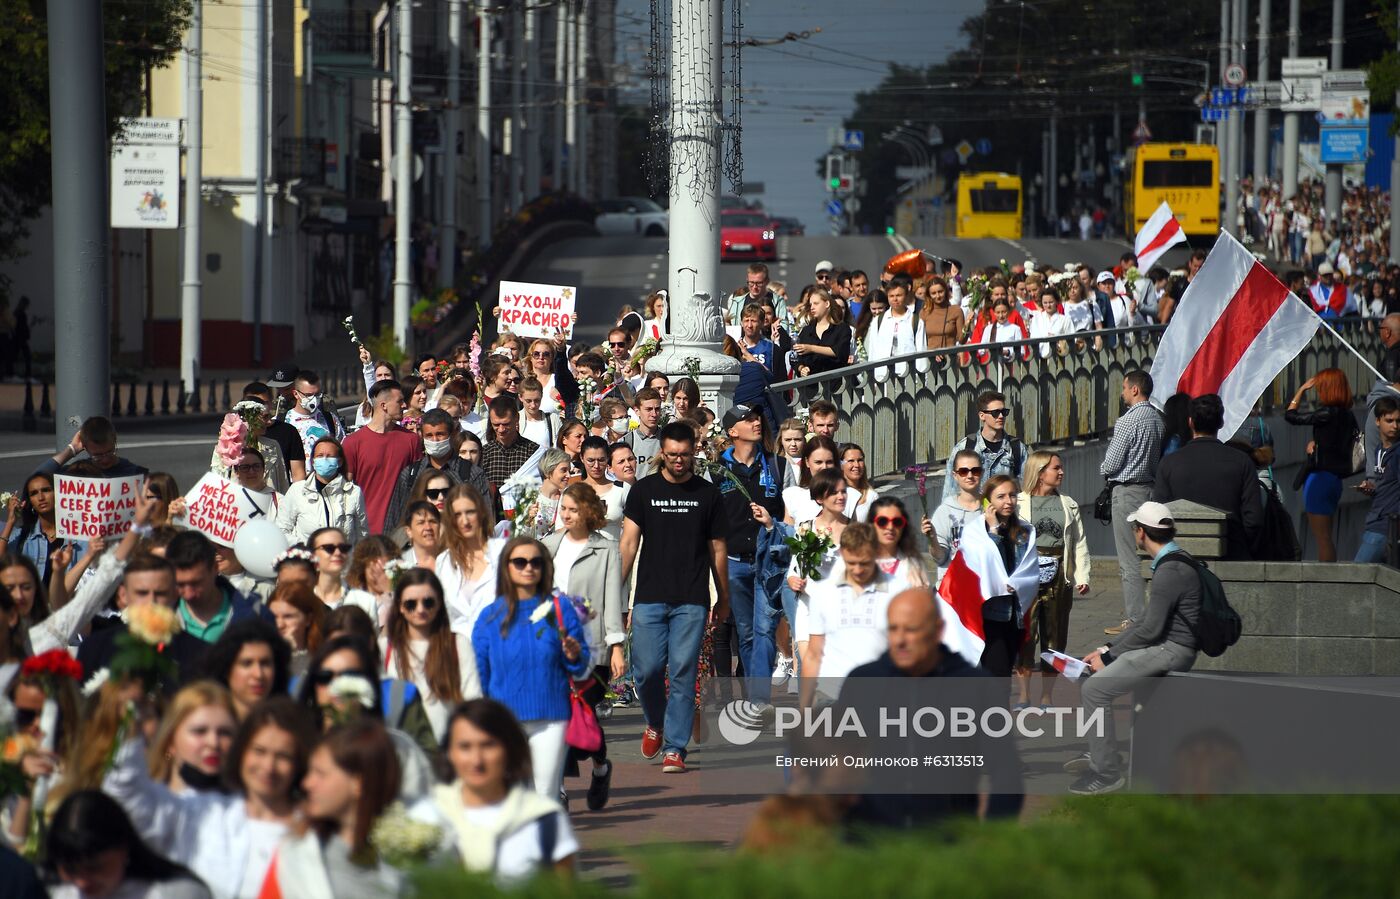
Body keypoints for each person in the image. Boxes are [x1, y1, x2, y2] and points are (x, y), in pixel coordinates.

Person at [838, 588, 1024, 827]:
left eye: (911, 629)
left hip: (946, 841)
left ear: (937, 630)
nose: (901, 640)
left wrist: (993, 838)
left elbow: (1006, 772)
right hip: (871, 839)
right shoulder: (862, 682)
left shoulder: (975, 687)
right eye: (893, 629)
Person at [620, 422, 730, 774]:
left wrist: (723, 596)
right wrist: (614, 591)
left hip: (692, 598)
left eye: (684, 455)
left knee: (683, 672)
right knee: (646, 670)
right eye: (671, 455)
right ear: (661, 454)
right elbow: (627, 544)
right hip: (650, 595)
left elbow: (718, 550)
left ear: (693, 452)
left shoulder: (708, 495)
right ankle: (656, 721)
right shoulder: (643, 491)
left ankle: (675, 748)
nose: (678, 461)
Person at [1070, 502, 1200, 795]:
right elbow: (1145, 624)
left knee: (1095, 689)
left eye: (1134, 529)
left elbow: (1151, 630)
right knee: (1090, 677)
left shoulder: (1171, 570)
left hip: (1172, 649)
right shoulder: (1175, 560)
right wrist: (1108, 647)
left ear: (1141, 533)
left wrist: (1109, 656)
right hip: (1165, 644)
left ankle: (1106, 773)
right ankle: (1102, 752)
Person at [472, 537, 589, 799]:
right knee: (512, 797)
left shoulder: (561, 610)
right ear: (506, 567)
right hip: (504, 720)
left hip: (551, 717)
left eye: (536, 562)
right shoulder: (489, 617)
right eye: (520, 562)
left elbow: (580, 666)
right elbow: (480, 673)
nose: (529, 568)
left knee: (545, 794)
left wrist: (573, 654)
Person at [540, 483, 626, 809]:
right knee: (558, 717)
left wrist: (616, 645)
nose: (566, 516)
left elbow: (612, 598)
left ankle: (601, 766)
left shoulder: (606, 549)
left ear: (588, 512)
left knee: (584, 717)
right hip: (551, 644)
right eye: (563, 509)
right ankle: (557, 790)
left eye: (573, 510)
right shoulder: (548, 545)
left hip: (590, 646)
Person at [423, 699, 578, 881]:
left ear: (510, 750)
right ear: (449, 753)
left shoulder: (545, 822)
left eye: (488, 745)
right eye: (465, 747)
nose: (477, 760)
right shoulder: (429, 815)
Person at [258, 721, 407, 898]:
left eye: (320, 774)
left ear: (359, 783)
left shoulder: (409, 865)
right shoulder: (296, 855)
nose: (307, 783)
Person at [1015, 452, 1091, 708]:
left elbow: (1079, 543)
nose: (1061, 472)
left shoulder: (1068, 503)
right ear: (1040, 471)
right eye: (1056, 468)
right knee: (1025, 635)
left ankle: (1047, 695)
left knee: (1055, 637)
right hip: (1028, 574)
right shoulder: (1017, 503)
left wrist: (1082, 576)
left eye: (1061, 468)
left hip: (1059, 574)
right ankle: (1024, 695)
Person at [1153, 394, 1264, 562]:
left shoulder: (1169, 463)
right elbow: (1253, 519)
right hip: (1232, 554)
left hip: (1180, 555)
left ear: (1190, 422)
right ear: (1221, 423)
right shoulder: (1241, 462)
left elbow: (1159, 514)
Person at [46, 790, 213, 899]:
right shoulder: (51, 892)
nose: (82, 882)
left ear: (124, 850)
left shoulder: (176, 894)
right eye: (70, 870)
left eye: (94, 868)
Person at [380, 568, 481, 743]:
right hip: (401, 748)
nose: (420, 610)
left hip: (447, 747)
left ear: (439, 603)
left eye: (428, 602)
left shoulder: (457, 643)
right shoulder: (386, 647)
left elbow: (472, 698)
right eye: (411, 604)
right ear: (400, 607)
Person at [799, 524, 894, 707]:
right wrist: (804, 709)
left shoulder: (896, 591)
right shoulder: (824, 593)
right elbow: (813, 654)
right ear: (842, 553)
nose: (858, 570)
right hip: (831, 695)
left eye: (864, 563)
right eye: (852, 563)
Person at [1099, 371, 1163, 635]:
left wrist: (1103, 468)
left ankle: (1135, 619)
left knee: (1128, 560)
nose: (1123, 392)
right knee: (1150, 555)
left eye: (1125, 388)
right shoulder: (1158, 419)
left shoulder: (1127, 421)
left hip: (1126, 492)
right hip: (1149, 490)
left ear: (1135, 390)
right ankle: (1153, 613)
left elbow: (1111, 464)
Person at [1285, 368, 1360, 563]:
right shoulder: (1348, 416)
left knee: (1322, 538)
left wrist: (1301, 390)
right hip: (1334, 479)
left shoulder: (1325, 413)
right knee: (1326, 536)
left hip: (1319, 478)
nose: (1317, 391)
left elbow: (1291, 416)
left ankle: (1325, 580)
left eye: (1320, 387)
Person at [968, 476, 1039, 678]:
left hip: (1015, 615)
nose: (1008, 501)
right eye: (1001, 497)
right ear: (987, 501)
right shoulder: (977, 532)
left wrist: (1018, 583)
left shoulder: (1025, 532)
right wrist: (994, 531)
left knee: (1004, 674)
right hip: (989, 615)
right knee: (995, 674)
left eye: (1012, 495)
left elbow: (1031, 571)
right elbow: (988, 565)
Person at [382, 409, 493, 534]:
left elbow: (486, 521)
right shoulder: (410, 475)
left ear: (452, 435)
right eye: (429, 435)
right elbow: (393, 523)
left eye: (440, 434)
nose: (434, 440)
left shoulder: (471, 474)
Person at [343, 380, 423, 535]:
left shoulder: (411, 440)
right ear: (384, 405)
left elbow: (417, 485)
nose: (405, 405)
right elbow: (346, 490)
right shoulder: (353, 443)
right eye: (400, 401)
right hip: (365, 531)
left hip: (402, 530)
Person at [168, 531, 261, 644]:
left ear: (215, 568)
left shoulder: (254, 611)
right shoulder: (158, 614)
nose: (188, 594)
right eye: (180, 584)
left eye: (196, 583)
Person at [436, 484, 504, 635]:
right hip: (460, 651)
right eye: (457, 515)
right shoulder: (444, 561)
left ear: (481, 513)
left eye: (470, 512)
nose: (465, 521)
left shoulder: (502, 552)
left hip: (498, 645)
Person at [277, 438, 368, 546]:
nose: (324, 460)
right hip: (309, 558)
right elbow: (281, 530)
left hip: (341, 559)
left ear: (340, 461)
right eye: (320, 456)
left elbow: (362, 534)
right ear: (313, 461)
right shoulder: (297, 491)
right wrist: (306, 547)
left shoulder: (353, 492)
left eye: (330, 456)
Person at [941, 391, 1028, 501]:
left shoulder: (1017, 448)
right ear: (982, 416)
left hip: (1006, 514)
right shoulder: (964, 448)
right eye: (995, 413)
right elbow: (950, 490)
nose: (1001, 416)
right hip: (973, 514)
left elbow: (1025, 491)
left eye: (1004, 412)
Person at [205, 618, 293, 719]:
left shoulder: (290, 727)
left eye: (265, 663)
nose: (258, 674)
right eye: (247, 664)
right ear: (226, 670)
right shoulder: (208, 724)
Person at [924, 448, 985, 581]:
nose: (970, 476)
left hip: (985, 586)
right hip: (954, 588)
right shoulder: (945, 511)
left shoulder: (991, 509)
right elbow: (940, 558)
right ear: (954, 475)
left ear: (982, 473)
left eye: (975, 471)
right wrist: (933, 539)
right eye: (963, 471)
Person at [1356, 396, 1400, 562]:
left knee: (1356, 575)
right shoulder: (1379, 450)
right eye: (1389, 420)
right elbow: (1386, 484)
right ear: (1377, 421)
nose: (1395, 426)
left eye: (1398, 421)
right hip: (1375, 520)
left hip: (1385, 526)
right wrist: (1370, 487)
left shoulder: (1397, 453)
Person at [37, 417, 150, 481]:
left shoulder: (135, 473)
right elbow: (37, 479)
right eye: (97, 456)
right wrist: (71, 450)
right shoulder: (78, 473)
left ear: (115, 440)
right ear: (85, 448)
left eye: (110, 452)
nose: (105, 460)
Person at [279, 369, 345, 460]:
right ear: (296, 394)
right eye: (309, 395)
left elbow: (342, 450)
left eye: (317, 394)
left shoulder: (330, 419)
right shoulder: (283, 422)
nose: (314, 399)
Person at [867, 279, 926, 380]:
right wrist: (872, 378)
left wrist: (921, 379)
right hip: (883, 378)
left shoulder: (915, 321)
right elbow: (873, 351)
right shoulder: (878, 321)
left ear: (906, 296)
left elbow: (921, 352)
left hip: (908, 378)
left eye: (899, 295)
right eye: (891, 296)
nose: (895, 299)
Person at [480, 395, 542, 490]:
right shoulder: (484, 454)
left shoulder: (534, 451)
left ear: (517, 418)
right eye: (496, 424)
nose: (501, 429)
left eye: (506, 424)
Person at [268, 583, 327, 677]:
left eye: (288, 617)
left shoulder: (323, 658)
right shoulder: (261, 654)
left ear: (308, 619)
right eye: (273, 617)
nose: (279, 625)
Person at [793, 288, 851, 378]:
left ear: (827, 304)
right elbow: (795, 358)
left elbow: (840, 352)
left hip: (836, 385)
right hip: (812, 387)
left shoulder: (841, 328)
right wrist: (801, 368)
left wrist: (811, 348)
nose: (812, 307)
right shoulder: (806, 331)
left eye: (816, 303)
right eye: (810, 304)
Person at [578, 436, 629, 540]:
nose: (596, 466)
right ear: (582, 458)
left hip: (613, 553)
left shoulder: (622, 489)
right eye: (590, 460)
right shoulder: (572, 492)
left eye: (601, 460)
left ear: (608, 459)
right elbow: (561, 529)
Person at [622, 387, 665, 472]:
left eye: (657, 409)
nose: (654, 414)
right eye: (648, 409)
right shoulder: (627, 441)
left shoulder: (667, 438)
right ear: (637, 411)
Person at [308, 527, 351, 609]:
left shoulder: (364, 601)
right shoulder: (300, 600)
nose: (338, 553)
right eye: (329, 548)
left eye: (343, 548)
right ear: (312, 555)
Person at [919, 276, 965, 352]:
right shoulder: (924, 312)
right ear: (929, 295)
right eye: (933, 293)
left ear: (946, 291)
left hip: (950, 356)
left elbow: (962, 340)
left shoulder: (956, 310)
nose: (938, 296)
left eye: (940, 292)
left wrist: (967, 326)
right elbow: (920, 341)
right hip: (930, 358)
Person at [838, 443, 878, 522]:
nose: (856, 465)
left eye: (860, 460)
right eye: (851, 461)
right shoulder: (834, 494)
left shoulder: (872, 496)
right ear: (841, 464)